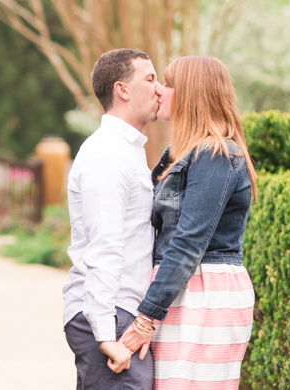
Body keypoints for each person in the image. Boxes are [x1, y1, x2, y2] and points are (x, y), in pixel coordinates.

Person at [120, 55, 257, 390]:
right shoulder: (179, 153)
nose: (160, 92)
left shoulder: (215, 154)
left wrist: (145, 318)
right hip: (179, 289)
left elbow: (188, 242)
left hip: (204, 291)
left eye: (168, 85)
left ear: (191, 94)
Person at [63, 48, 163, 390]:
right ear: (122, 90)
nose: (159, 88)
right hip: (111, 313)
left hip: (118, 311)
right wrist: (106, 335)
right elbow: (105, 245)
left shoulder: (128, 149)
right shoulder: (107, 153)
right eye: (150, 79)